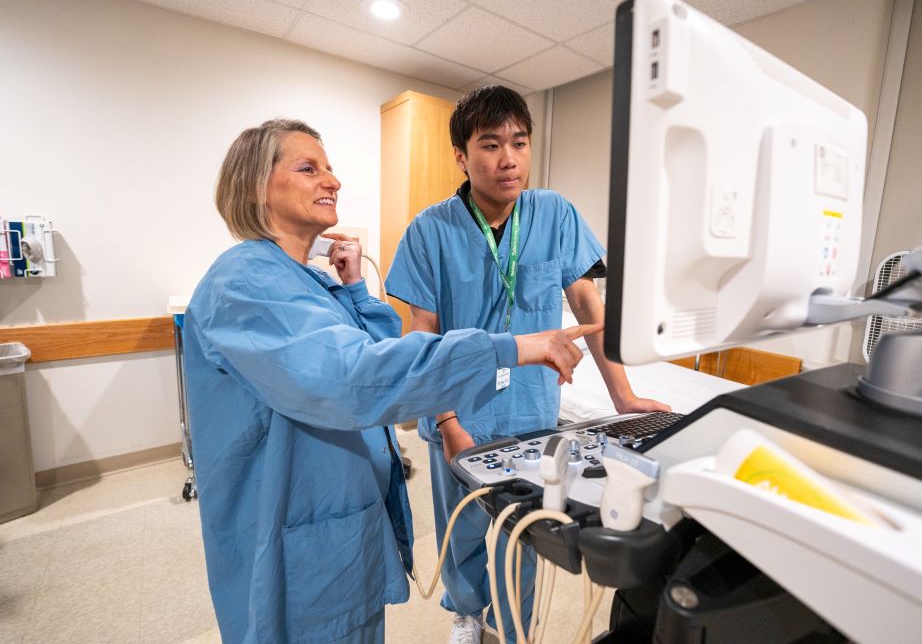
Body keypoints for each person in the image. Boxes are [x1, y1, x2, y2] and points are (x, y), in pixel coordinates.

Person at [183, 118, 600, 644]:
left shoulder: (305, 280)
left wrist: (355, 289)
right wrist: (512, 347)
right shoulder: (245, 282)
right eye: (309, 168)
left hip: (339, 528)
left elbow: (374, 348)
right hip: (295, 543)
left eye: (330, 168)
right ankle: (469, 612)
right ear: (254, 185)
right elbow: (355, 378)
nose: (332, 181)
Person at [385, 86, 672, 644]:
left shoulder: (554, 213)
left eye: (519, 142)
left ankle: (512, 625)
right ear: (461, 157)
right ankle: (467, 612)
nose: (508, 158)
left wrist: (623, 398)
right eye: (489, 145)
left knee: (524, 528)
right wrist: (448, 425)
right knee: (463, 524)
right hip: (457, 412)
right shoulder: (429, 231)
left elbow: (589, 307)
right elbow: (423, 335)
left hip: (530, 411)